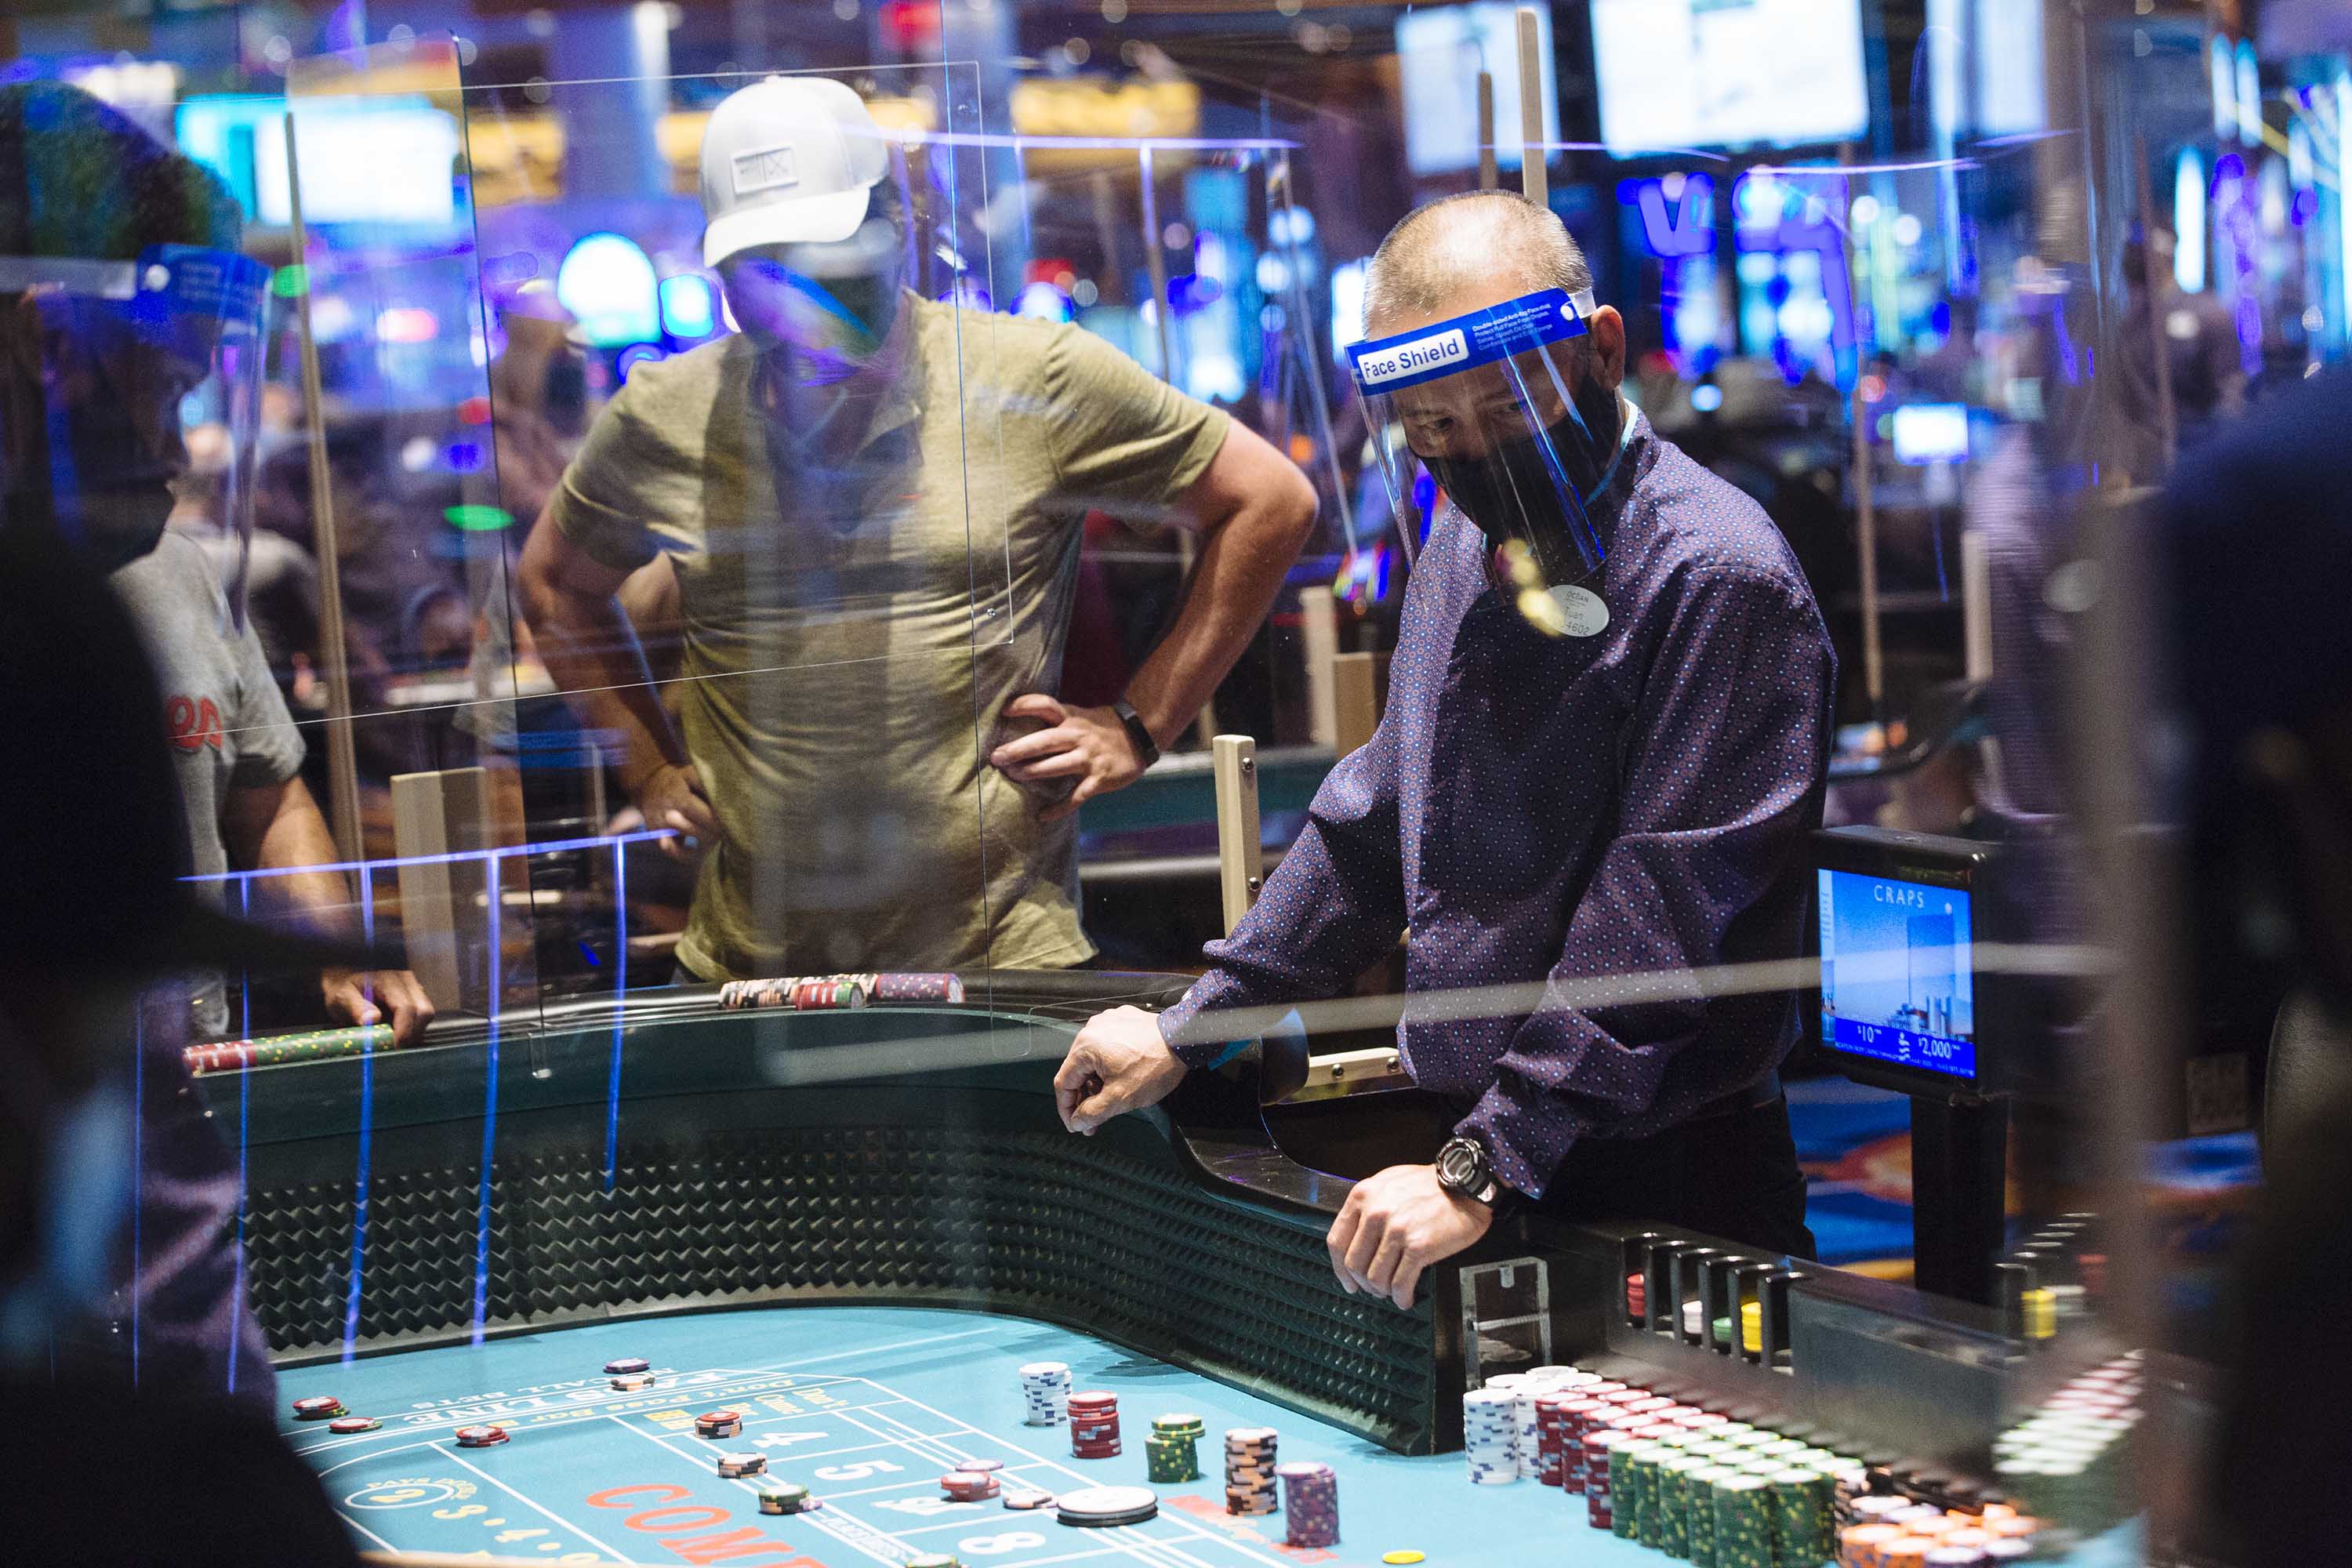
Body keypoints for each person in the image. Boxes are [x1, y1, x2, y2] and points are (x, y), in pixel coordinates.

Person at [1055, 191, 1835, 1308]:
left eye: (1504, 409)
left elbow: (1658, 923)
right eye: (1433, 427)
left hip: (1664, 1174)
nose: (1470, 452)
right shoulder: (1469, 533)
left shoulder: (1718, 576)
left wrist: (1487, 1160)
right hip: (1490, 1152)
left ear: (1602, 349)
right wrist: (1199, 1023)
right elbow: (1380, 819)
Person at [517, 75, 1317, 982]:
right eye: (763, 269)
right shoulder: (670, 413)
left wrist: (1142, 722)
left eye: (820, 259)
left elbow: (1271, 500)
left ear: (893, 225)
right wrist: (646, 769)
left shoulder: (1028, 378)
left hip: (996, 963)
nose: (797, 303)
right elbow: (551, 588)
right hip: (751, 972)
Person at [0, 81, 427, 1408]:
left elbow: (265, 787)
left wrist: (330, 954)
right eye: (158, 372)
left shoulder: (167, 577)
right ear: (43, 340)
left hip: (156, 1100)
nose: (185, 431)